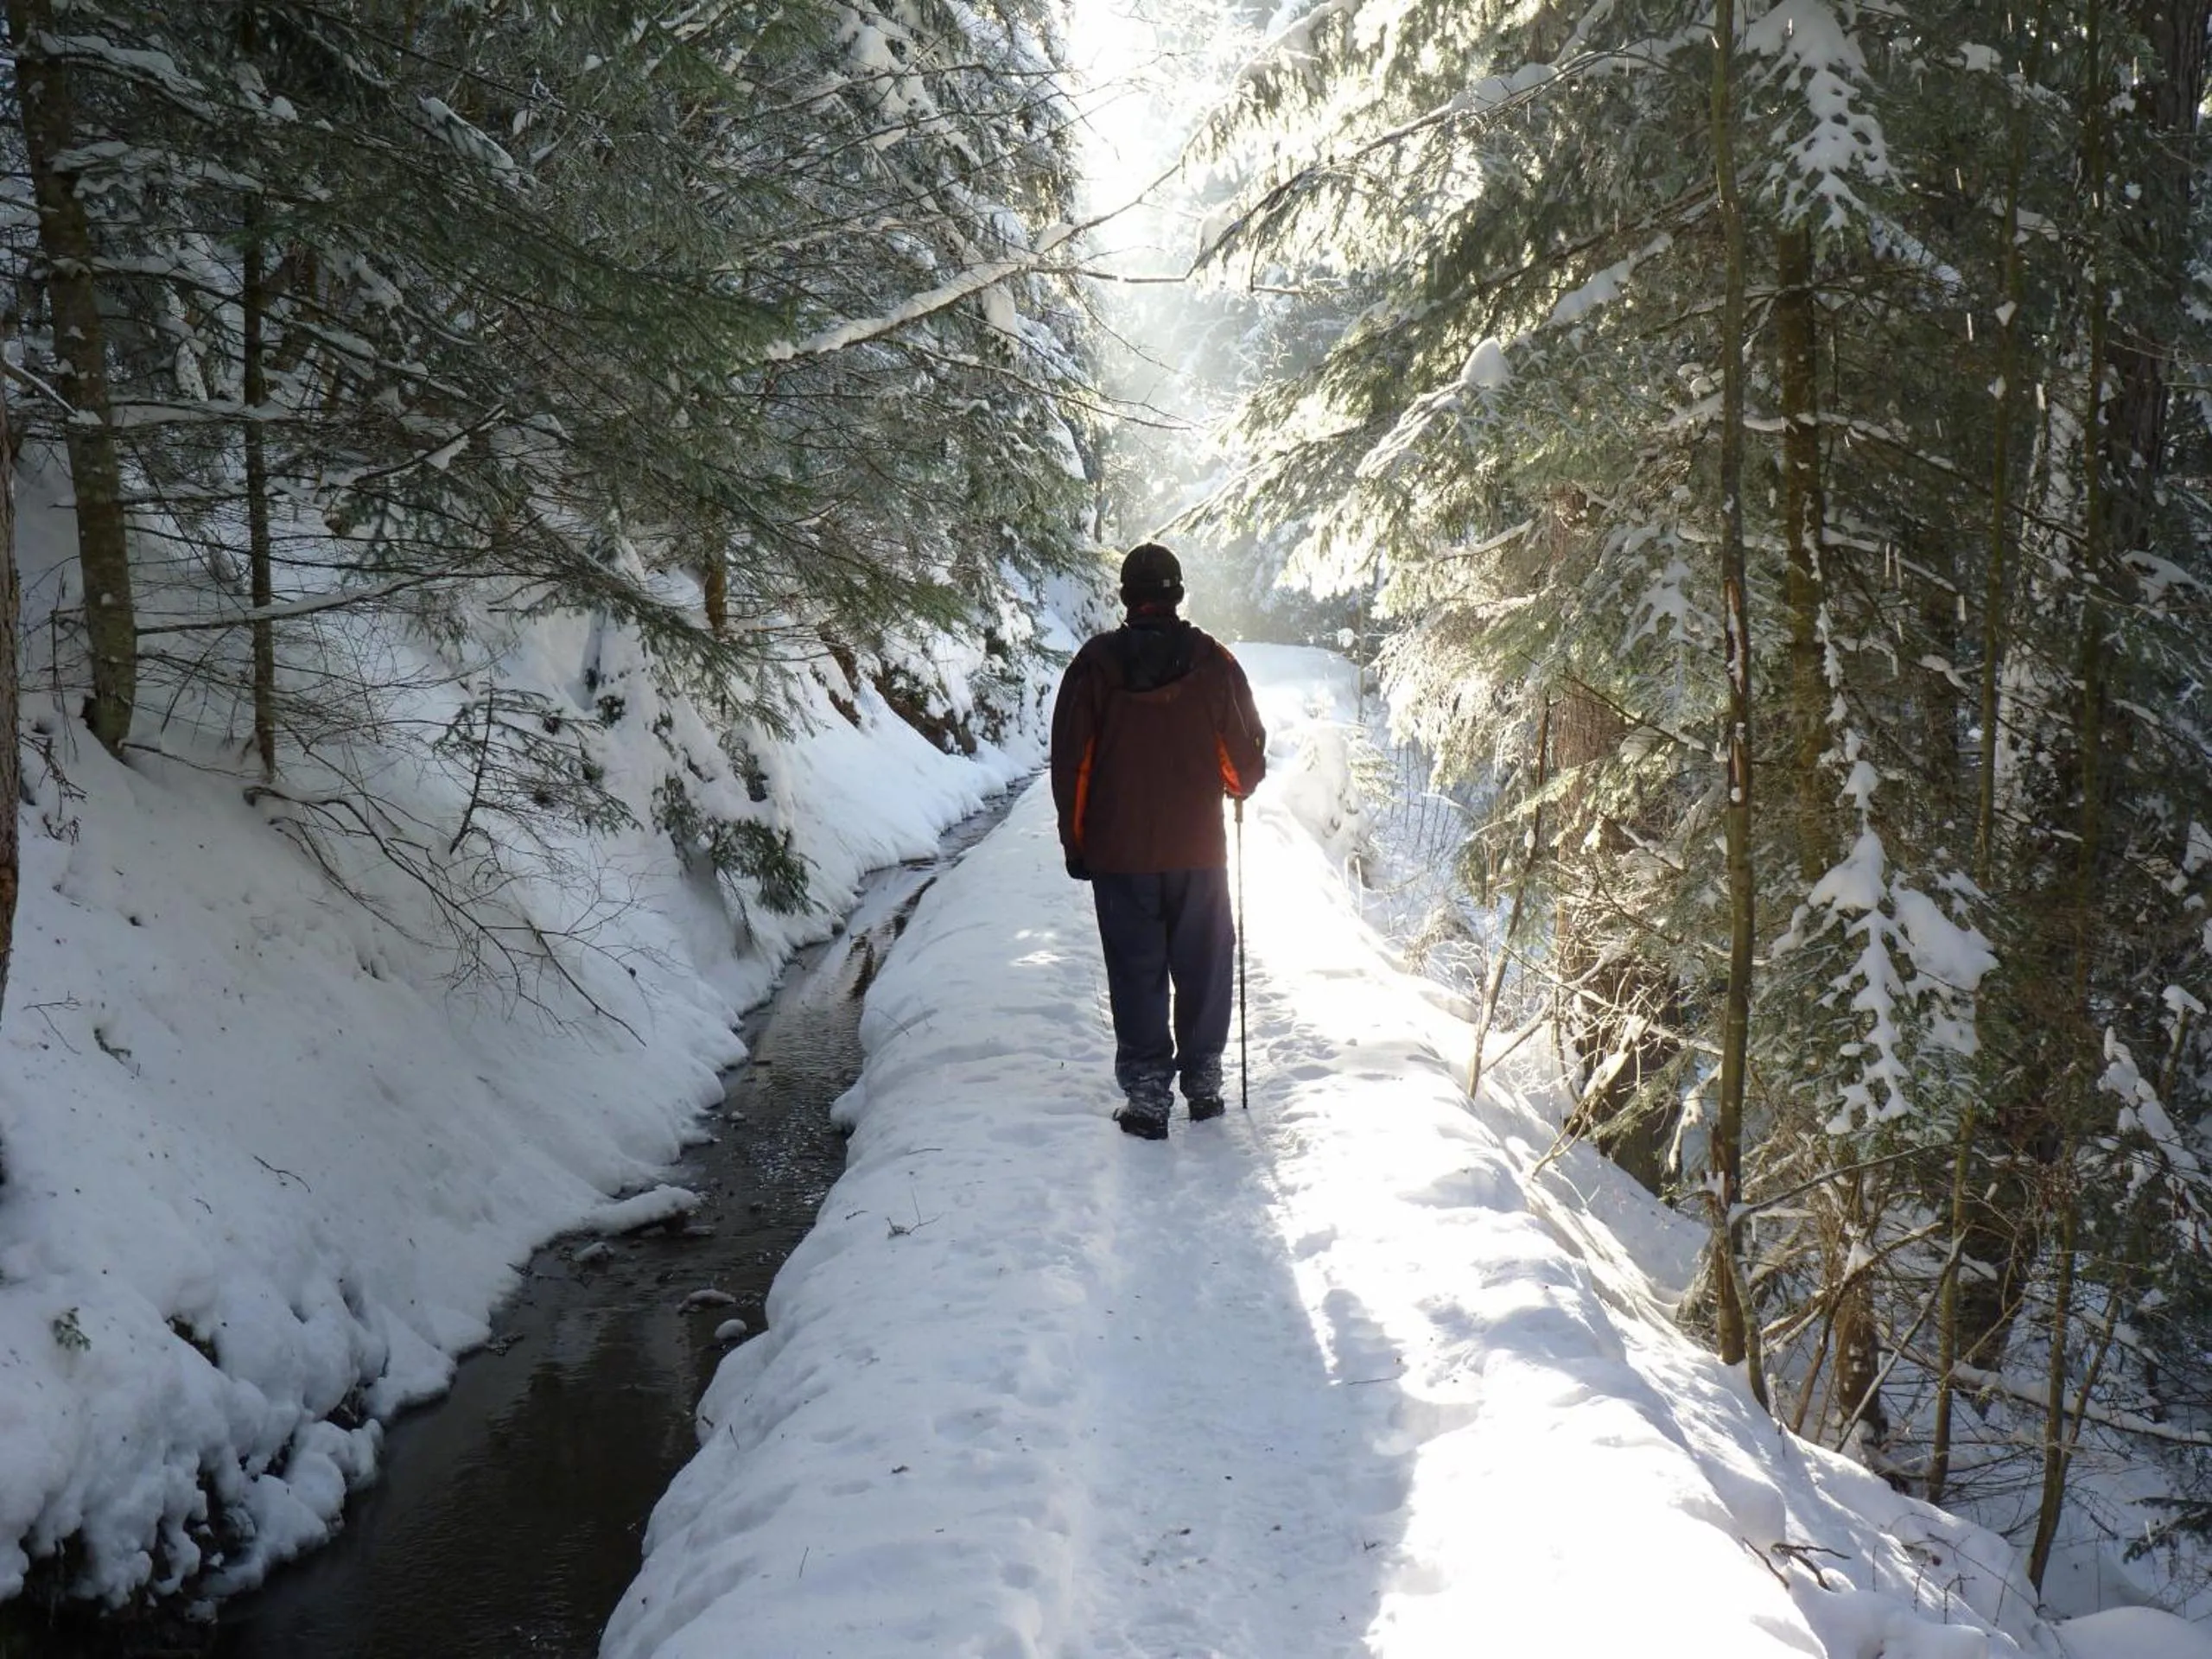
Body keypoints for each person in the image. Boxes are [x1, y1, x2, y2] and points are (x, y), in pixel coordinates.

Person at [1049, 543, 1268, 1139]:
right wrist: (1235, 784)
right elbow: (1243, 763)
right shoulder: (1212, 660)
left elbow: (1072, 764)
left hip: (1121, 854)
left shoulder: (1094, 665)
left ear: (1126, 597)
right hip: (1198, 848)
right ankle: (1202, 1083)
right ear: (1177, 594)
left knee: (1136, 967)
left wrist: (1077, 845)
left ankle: (1148, 1097)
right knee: (1204, 961)